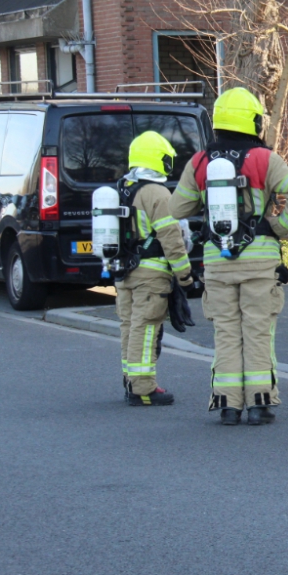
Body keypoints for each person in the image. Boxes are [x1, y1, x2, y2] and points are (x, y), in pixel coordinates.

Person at [169, 87, 288, 426]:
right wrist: (277, 227)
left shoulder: (201, 162)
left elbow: (177, 207)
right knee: (258, 330)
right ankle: (260, 404)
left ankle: (228, 404)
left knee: (227, 332)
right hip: (259, 262)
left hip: (217, 262)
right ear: (254, 122)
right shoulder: (264, 159)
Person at [116, 131, 194, 407]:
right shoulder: (157, 193)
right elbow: (171, 238)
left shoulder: (124, 188)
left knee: (129, 326)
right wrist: (186, 276)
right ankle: (144, 388)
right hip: (150, 274)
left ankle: (131, 380)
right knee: (146, 327)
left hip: (125, 272)